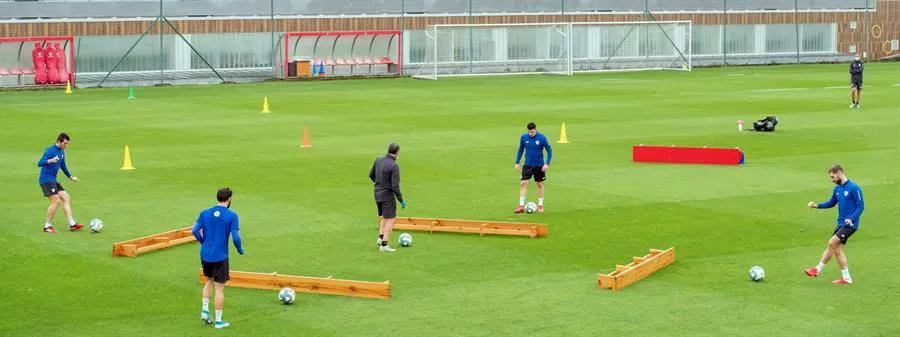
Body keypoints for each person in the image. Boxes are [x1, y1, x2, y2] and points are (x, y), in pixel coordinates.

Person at [192, 187, 244, 329]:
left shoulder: (205, 213)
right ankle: (219, 321)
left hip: (205, 254)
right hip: (220, 256)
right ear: (229, 199)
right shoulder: (232, 216)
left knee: (209, 280)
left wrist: (203, 242)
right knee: (219, 288)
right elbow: (236, 238)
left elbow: (194, 230)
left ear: (217, 198)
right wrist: (240, 249)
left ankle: (204, 310)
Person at [804, 165, 864, 285]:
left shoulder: (854, 187)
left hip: (850, 224)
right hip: (840, 223)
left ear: (839, 173)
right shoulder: (837, 189)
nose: (832, 180)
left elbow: (860, 206)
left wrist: (851, 218)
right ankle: (846, 278)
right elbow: (831, 203)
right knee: (837, 250)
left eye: (833, 177)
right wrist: (816, 205)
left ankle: (817, 269)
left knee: (832, 243)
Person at [37, 133, 82, 233]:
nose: (66, 146)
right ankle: (47, 226)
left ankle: (72, 224)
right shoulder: (50, 150)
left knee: (66, 198)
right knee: (56, 201)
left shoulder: (61, 151)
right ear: (59, 141)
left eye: (67, 144)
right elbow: (40, 163)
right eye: (65, 143)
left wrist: (70, 177)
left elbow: (63, 165)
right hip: (46, 180)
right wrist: (50, 160)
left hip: (53, 179)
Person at [369, 143, 406, 252]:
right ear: (397, 152)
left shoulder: (378, 160)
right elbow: (395, 186)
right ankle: (384, 245)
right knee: (391, 219)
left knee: (384, 217)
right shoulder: (394, 166)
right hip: (387, 195)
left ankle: (380, 239)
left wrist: (380, 184)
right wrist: (401, 200)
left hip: (377, 193)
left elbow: (371, 175)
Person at [514, 122, 552, 213]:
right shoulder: (524, 137)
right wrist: (517, 162)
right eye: (528, 132)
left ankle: (540, 205)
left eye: (532, 132)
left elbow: (549, 151)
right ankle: (521, 206)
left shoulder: (542, 138)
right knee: (523, 183)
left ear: (535, 129)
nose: (530, 134)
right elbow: (520, 150)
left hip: (539, 165)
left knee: (539, 184)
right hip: (528, 165)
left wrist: (547, 163)